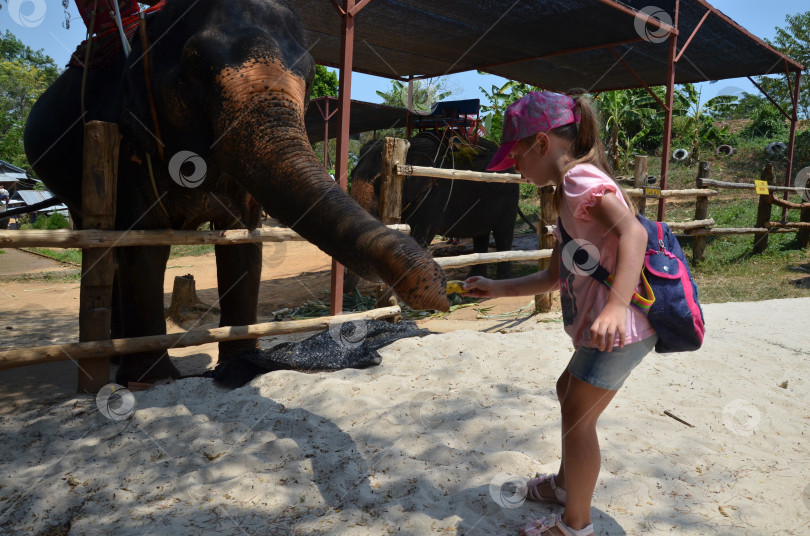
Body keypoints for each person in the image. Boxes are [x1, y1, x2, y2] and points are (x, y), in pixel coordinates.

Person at [463, 91, 657, 536]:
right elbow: (554, 275)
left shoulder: (579, 182)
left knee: (578, 419)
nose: (513, 166)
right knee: (566, 390)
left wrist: (615, 306)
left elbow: (633, 234)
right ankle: (565, 486)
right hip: (606, 327)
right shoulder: (567, 195)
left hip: (618, 327)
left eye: (515, 155)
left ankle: (574, 526)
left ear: (542, 143)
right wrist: (497, 287)